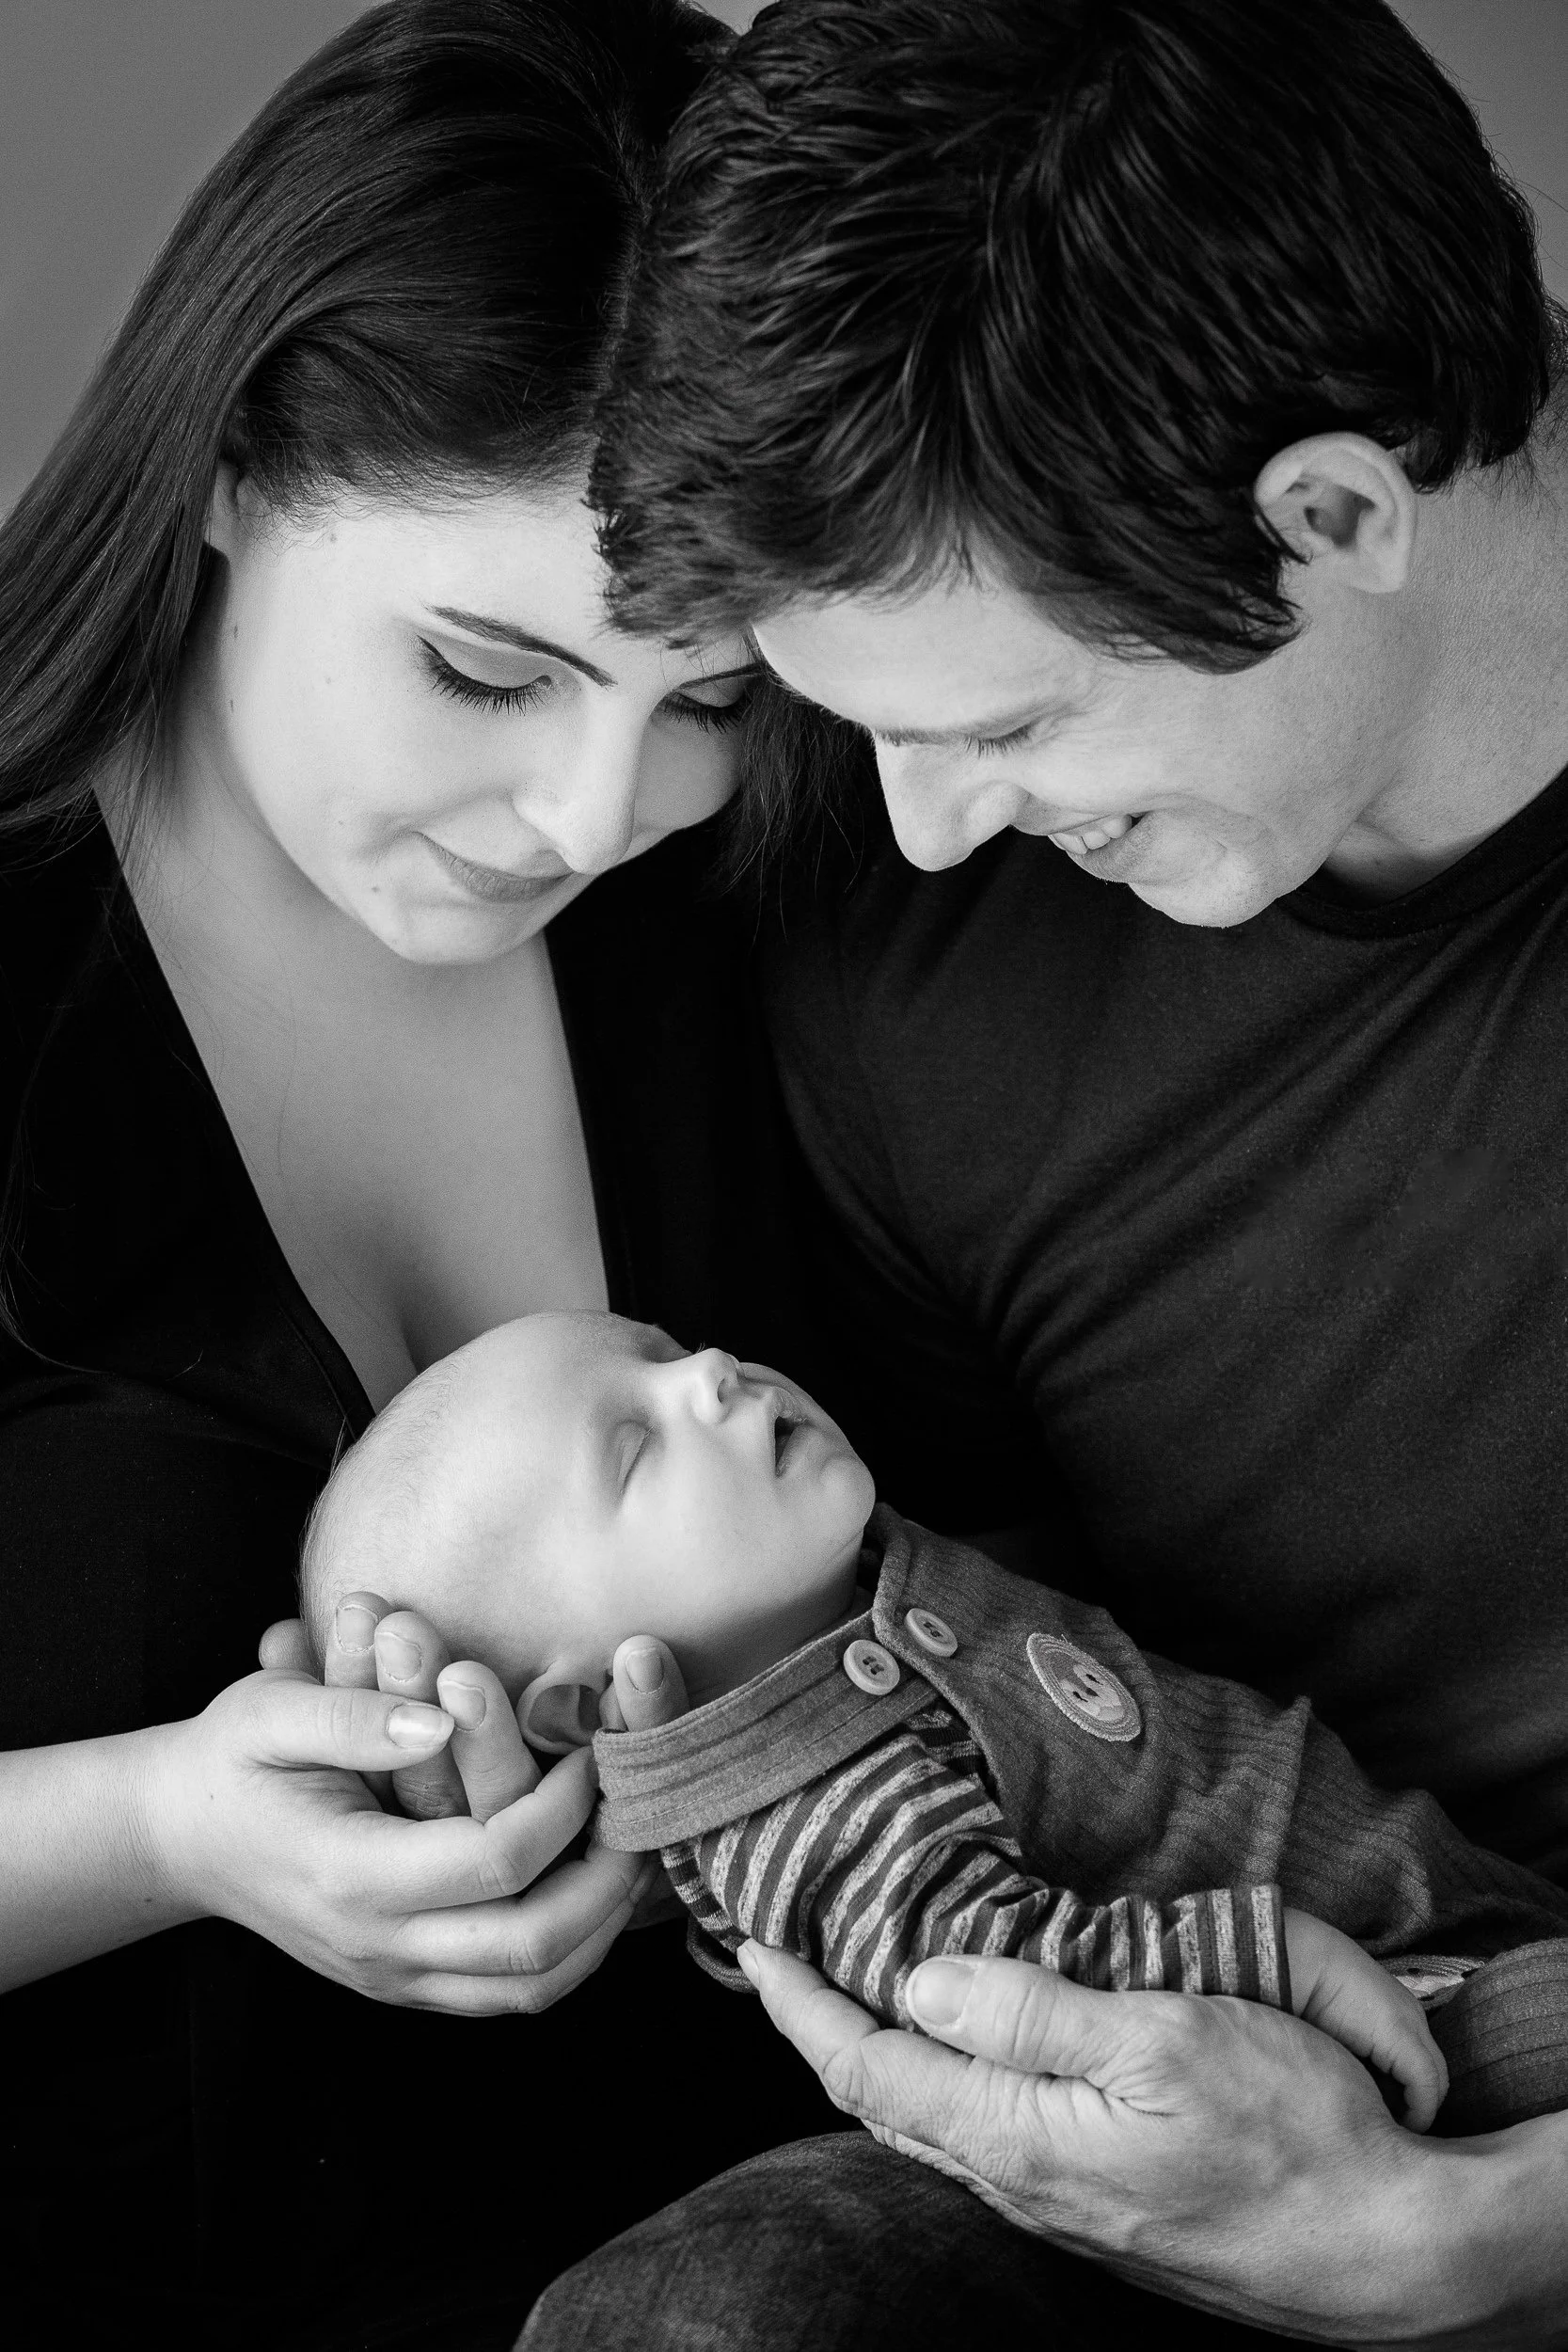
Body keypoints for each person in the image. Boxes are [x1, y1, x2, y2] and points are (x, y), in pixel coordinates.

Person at [541, 0, 1568, 2342]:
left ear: (1333, 517)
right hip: (1259, 2017)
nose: (921, 830)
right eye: (865, 732)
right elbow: (987, 1673)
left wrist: (1489, 2246)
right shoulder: (915, 953)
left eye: (1005, 721)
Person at [0, 6, 847, 2346]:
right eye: (485, 667)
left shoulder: (757, 924)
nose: (591, 816)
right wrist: (158, 1826)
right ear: (225, 466)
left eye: (706, 701)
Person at [293, 1306, 1568, 2138]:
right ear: (579, 1707)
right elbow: (999, 1986)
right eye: (633, 1450)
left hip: (1448, 1900)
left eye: (660, 1347)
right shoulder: (812, 1816)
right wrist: (1274, 1961)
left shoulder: (840, 1582)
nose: (707, 1375)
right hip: (1378, 2019)